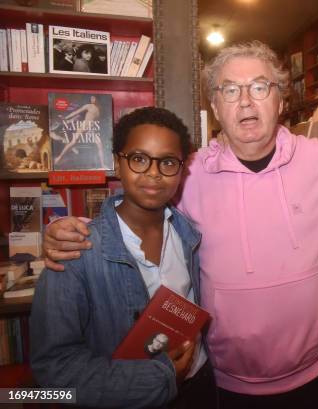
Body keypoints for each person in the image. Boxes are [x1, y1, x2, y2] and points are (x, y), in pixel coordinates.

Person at [43, 41, 318, 409]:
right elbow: (145, 196)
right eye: (230, 90)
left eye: (259, 86)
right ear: (216, 108)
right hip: (224, 380)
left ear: (280, 100)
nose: (245, 101)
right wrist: (82, 230)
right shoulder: (191, 173)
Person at [31, 108, 216, 409]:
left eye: (168, 162)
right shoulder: (75, 251)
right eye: (139, 159)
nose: (154, 173)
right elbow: (54, 368)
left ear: (182, 170)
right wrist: (160, 377)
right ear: (118, 163)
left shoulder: (189, 236)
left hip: (198, 387)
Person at [53, 95, 109, 169]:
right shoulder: (89, 106)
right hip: (84, 127)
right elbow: (76, 112)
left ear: (96, 99)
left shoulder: (100, 109)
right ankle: (59, 158)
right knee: (73, 142)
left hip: (92, 130)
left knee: (100, 145)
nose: (92, 99)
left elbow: (99, 120)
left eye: (93, 98)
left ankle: (103, 165)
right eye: (91, 98)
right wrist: (66, 118)